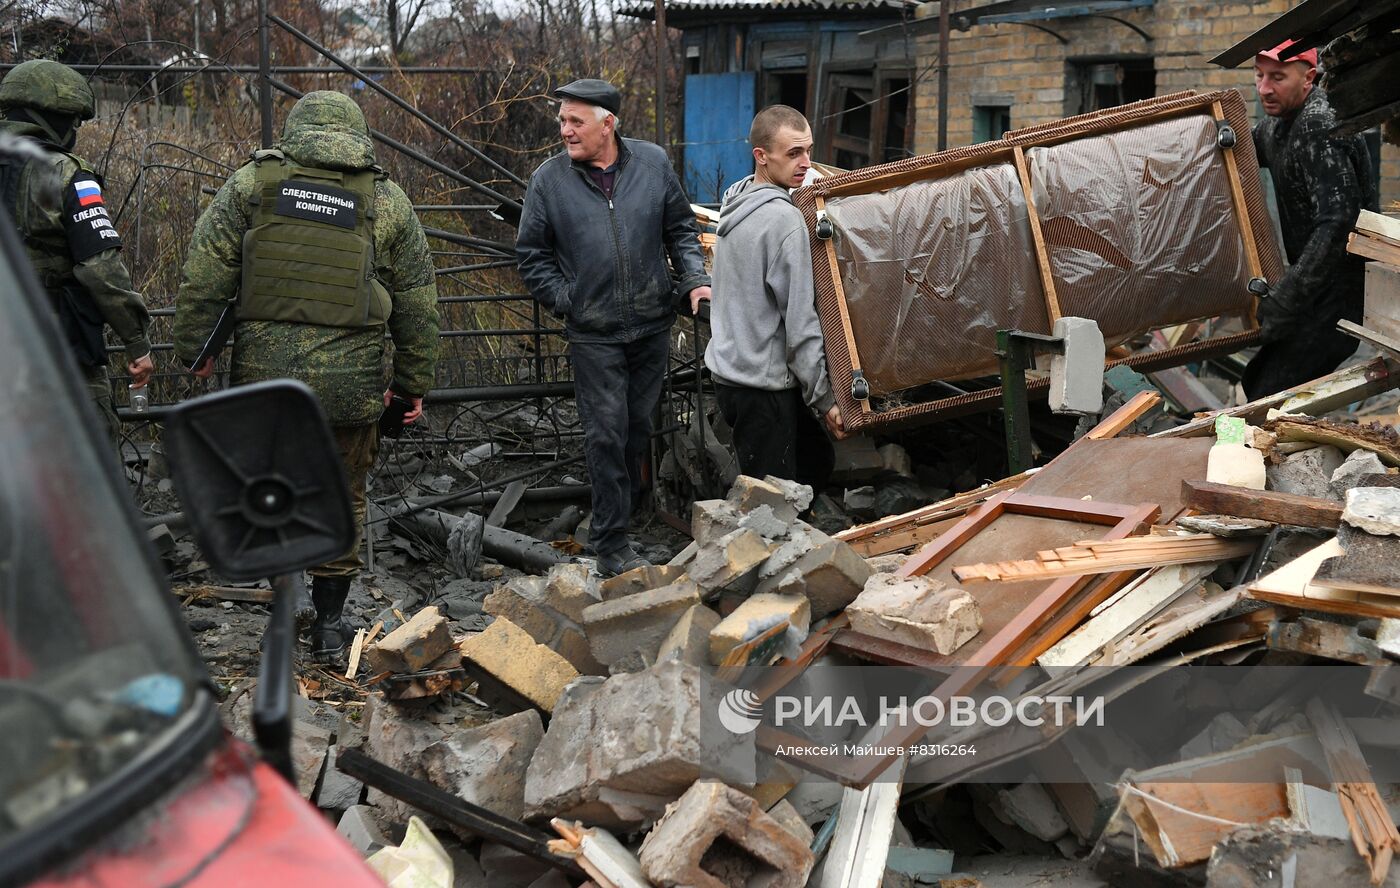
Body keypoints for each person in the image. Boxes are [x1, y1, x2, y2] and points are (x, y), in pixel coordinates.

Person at [173, 91, 440, 661]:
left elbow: (205, 273)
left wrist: (197, 351)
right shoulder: (385, 199)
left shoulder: (252, 185)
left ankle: (279, 605)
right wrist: (413, 385)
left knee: (267, 488)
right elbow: (418, 300)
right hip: (351, 384)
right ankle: (330, 625)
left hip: (264, 384)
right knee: (344, 495)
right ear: (357, 134)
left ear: (295, 131)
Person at [516, 78, 710, 578]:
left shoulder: (652, 163)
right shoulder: (549, 181)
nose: (564, 130)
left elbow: (680, 229)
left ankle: (626, 525)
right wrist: (567, 299)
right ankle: (611, 543)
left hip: (650, 325)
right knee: (605, 434)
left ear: (609, 124)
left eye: (575, 121)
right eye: (561, 121)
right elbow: (532, 255)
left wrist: (693, 279)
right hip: (594, 332)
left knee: (636, 431)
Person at [0, 59, 153, 448]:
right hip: (54, 349)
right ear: (57, 120)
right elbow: (100, 266)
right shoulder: (66, 175)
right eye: (73, 121)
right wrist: (136, 342)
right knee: (89, 453)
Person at [703, 104, 845, 491]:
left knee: (815, 461)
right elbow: (800, 323)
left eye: (809, 151)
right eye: (794, 153)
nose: (806, 163)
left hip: (730, 378)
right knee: (770, 507)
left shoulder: (736, 201)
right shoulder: (784, 221)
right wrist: (826, 400)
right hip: (761, 388)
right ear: (761, 156)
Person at [1245, 40, 1375, 399]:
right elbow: (1238, 154)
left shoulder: (1319, 125)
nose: (1264, 88)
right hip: (1313, 296)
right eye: (1259, 76)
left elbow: (1338, 222)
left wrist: (1287, 297)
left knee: (1270, 393)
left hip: (1339, 298)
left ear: (1309, 78)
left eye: (1277, 77)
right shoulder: (1277, 126)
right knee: (1260, 383)